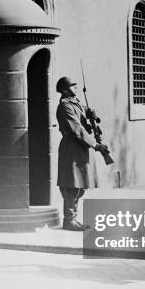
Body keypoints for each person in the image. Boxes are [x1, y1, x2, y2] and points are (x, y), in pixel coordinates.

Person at [55, 76, 108, 231]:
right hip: (72, 148)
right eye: (73, 86)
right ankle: (69, 220)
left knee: (81, 186)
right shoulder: (65, 106)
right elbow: (77, 130)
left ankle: (73, 218)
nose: (76, 87)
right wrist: (96, 145)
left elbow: (86, 119)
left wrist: (92, 115)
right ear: (64, 90)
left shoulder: (76, 103)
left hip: (82, 148)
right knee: (71, 185)